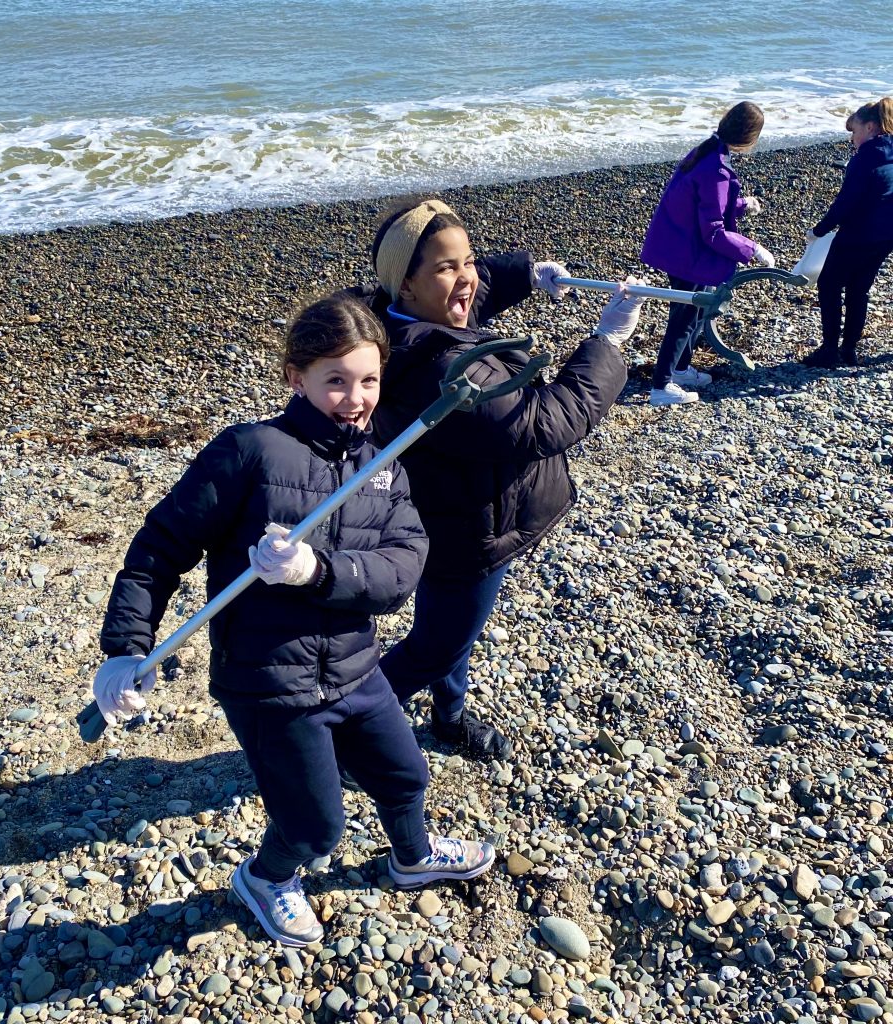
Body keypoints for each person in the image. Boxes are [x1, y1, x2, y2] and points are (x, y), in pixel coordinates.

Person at [92, 294, 495, 948]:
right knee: (313, 829)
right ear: (295, 376)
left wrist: (317, 571)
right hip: (269, 685)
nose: (355, 397)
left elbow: (402, 568)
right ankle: (266, 878)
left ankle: (412, 856)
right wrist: (125, 647)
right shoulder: (250, 452)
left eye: (369, 380)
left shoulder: (384, 465)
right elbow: (158, 549)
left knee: (405, 776)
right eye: (335, 380)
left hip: (356, 670)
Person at [354, 198, 642, 760]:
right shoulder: (439, 368)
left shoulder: (395, 316)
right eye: (445, 267)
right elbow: (543, 422)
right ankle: (348, 733)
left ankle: (449, 715)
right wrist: (607, 344)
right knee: (437, 645)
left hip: (458, 508)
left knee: (449, 632)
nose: (464, 278)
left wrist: (527, 275)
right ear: (405, 284)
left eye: (468, 260)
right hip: (466, 530)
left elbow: (472, 291)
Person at [640, 101, 775, 406]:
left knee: (696, 311)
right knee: (685, 316)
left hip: (676, 243)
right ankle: (661, 386)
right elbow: (713, 230)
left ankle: (681, 368)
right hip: (686, 252)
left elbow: (701, 202)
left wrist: (742, 205)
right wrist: (752, 248)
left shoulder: (706, 151)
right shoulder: (716, 167)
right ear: (750, 138)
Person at [802, 97, 893, 368]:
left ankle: (829, 350)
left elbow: (846, 203)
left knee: (829, 285)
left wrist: (818, 230)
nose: (852, 138)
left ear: (870, 127)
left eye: (853, 131)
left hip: (860, 234)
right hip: (887, 234)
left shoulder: (865, 158)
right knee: (859, 289)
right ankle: (849, 349)